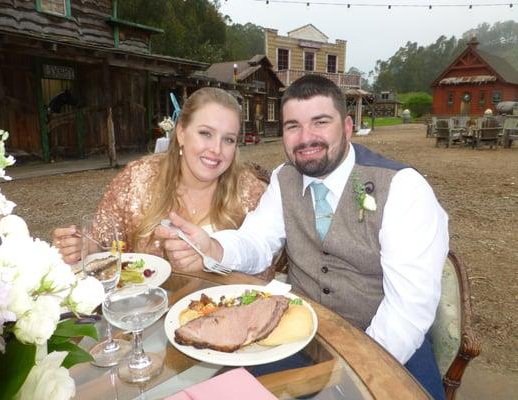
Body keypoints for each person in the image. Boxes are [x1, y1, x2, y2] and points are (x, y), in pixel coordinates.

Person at [159, 75, 449, 399]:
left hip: (390, 348)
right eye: (293, 126)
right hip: (299, 338)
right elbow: (257, 240)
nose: (305, 137)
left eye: (320, 122)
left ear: (348, 127)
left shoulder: (404, 188)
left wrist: (348, 379)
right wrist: (213, 246)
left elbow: (407, 311)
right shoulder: (284, 178)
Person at [53, 87, 274, 279]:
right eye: (205, 133)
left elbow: (261, 271)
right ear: (181, 133)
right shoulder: (139, 179)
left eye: (228, 139)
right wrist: (85, 247)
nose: (216, 150)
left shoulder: (251, 191)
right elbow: (105, 241)